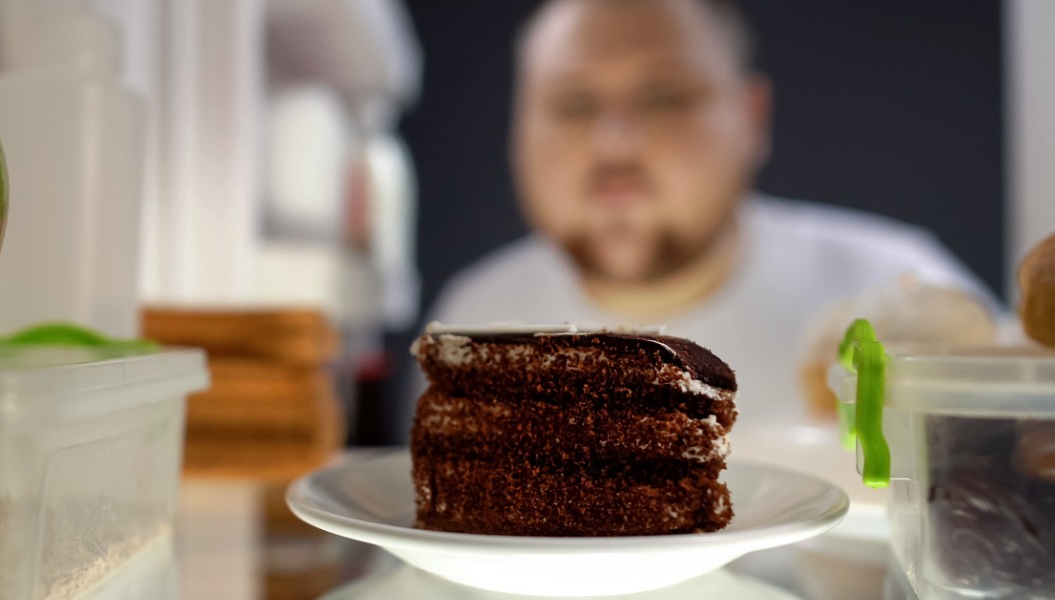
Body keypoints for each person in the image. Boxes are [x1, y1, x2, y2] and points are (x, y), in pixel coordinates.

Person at [416, 0, 995, 435]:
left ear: (750, 117)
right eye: (573, 104)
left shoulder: (905, 293)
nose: (614, 143)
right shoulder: (471, 321)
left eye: (663, 97)